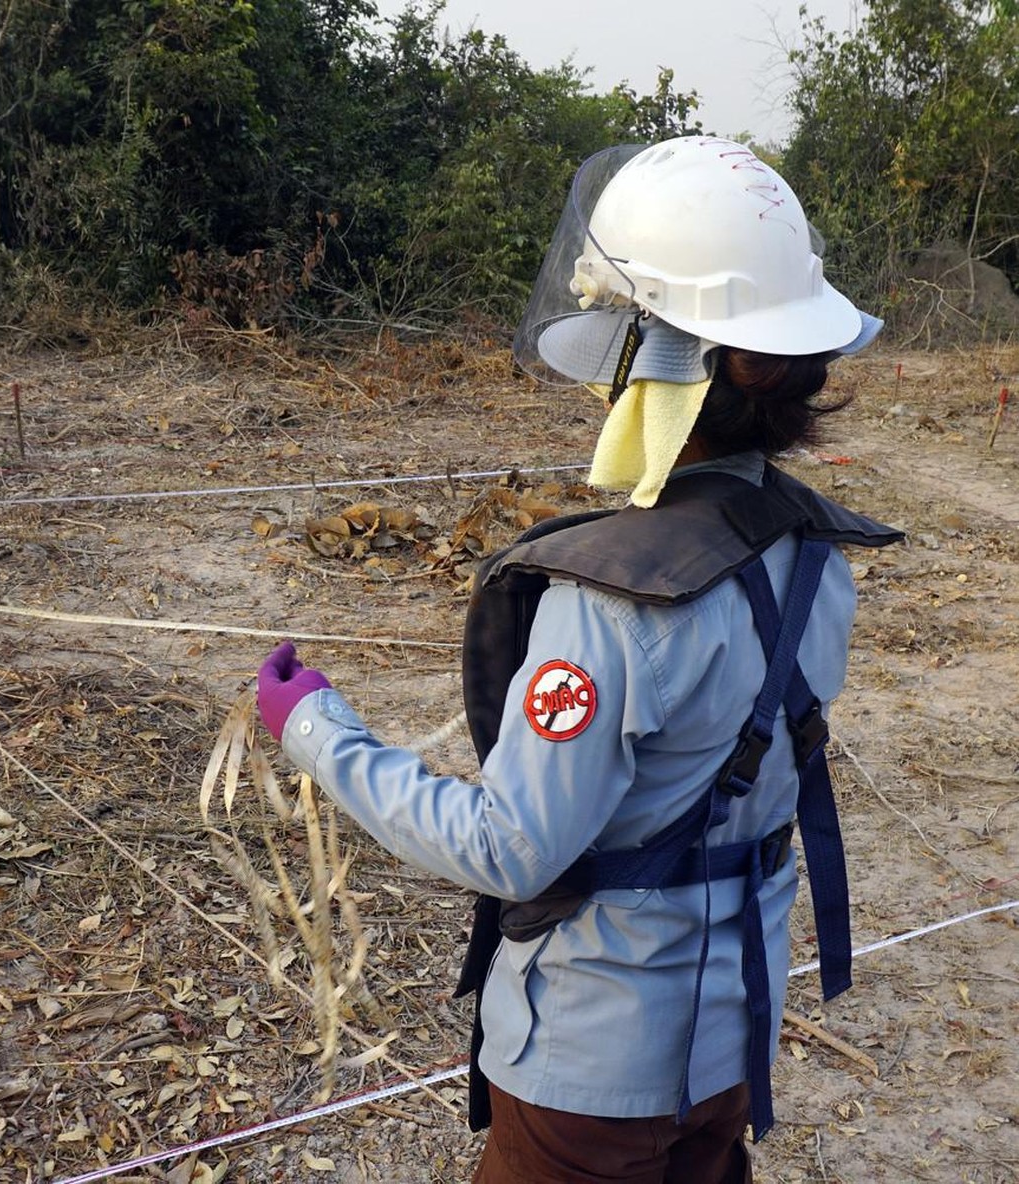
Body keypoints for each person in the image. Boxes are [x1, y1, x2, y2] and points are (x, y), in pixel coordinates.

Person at [255, 136, 903, 1183]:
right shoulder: (818, 552)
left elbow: (511, 846)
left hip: (594, 1069)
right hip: (734, 1035)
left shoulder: (610, 603)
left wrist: (316, 730)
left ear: (659, 363)